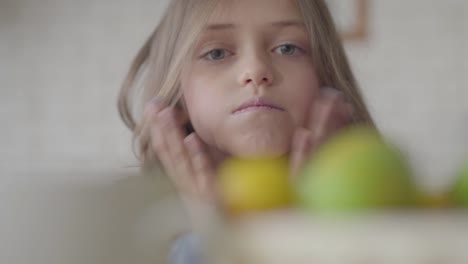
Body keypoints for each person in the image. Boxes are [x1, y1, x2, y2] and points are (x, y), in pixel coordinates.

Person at [118, 0, 374, 263]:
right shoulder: (140, 237)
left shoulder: (382, 224)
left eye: (287, 48)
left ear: (325, 78)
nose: (256, 70)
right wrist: (209, 227)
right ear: (177, 97)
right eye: (217, 53)